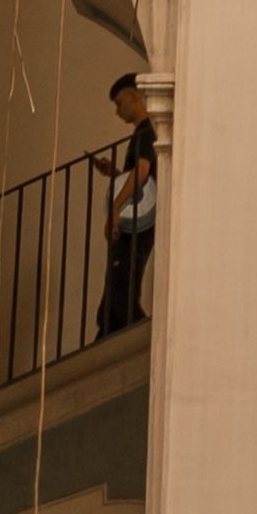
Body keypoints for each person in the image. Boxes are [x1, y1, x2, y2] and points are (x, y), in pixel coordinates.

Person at [91, 70, 161, 333]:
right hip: (139, 220)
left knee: (121, 287)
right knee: (117, 288)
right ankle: (106, 335)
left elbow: (141, 175)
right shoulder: (147, 133)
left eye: (120, 103)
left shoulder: (146, 132)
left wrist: (114, 209)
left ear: (134, 97)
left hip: (137, 223)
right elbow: (142, 179)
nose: (117, 111)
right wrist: (115, 175)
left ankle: (139, 335)